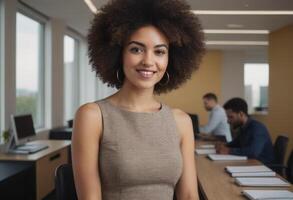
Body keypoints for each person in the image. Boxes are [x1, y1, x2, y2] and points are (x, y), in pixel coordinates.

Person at [71, 0, 205, 199]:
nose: (148, 61)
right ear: (119, 54)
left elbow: (188, 195)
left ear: (171, 60)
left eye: (159, 51)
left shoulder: (181, 121)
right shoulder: (92, 116)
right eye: (136, 49)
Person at [216, 98, 275, 164]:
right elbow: (236, 143)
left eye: (231, 117)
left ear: (241, 114)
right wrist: (224, 145)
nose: (228, 121)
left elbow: (253, 152)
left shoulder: (257, 128)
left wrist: (229, 151)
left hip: (263, 167)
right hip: (250, 164)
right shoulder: (243, 127)